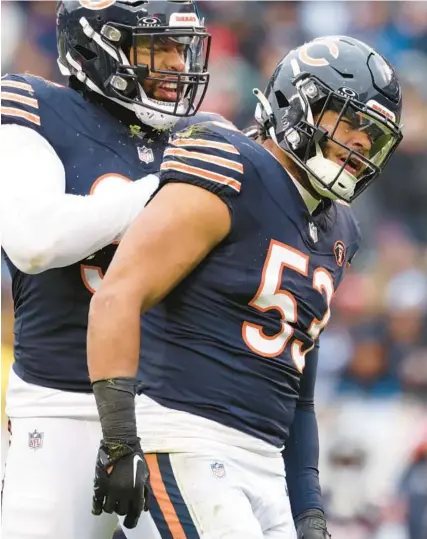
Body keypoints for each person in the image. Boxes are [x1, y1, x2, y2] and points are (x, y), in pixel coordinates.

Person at [87, 35, 403, 539]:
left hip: (265, 462)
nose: (361, 143)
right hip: (185, 437)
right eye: (349, 121)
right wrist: (121, 439)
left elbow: (298, 390)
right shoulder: (232, 165)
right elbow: (119, 293)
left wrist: (309, 508)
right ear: (296, 104)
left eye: (374, 134)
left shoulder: (341, 228)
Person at [0, 1, 216, 538]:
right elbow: (34, 239)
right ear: (95, 47)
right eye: (157, 48)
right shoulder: (32, 105)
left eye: (180, 48)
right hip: (62, 407)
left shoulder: (198, 140)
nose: (174, 65)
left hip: (171, 412)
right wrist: (167, 195)